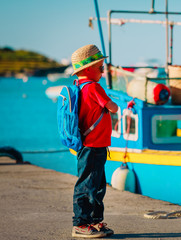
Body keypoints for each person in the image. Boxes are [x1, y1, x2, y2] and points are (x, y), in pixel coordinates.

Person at [70, 44, 118, 238]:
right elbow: (112, 107)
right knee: (88, 186)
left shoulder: (80, 87)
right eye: (101, 66)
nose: (103, 70)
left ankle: (95, 222)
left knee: (96, 185)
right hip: (93, 146)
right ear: (89, 69)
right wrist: (114, 103)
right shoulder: (93, 87)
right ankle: (80, 224)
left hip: (91, 145)